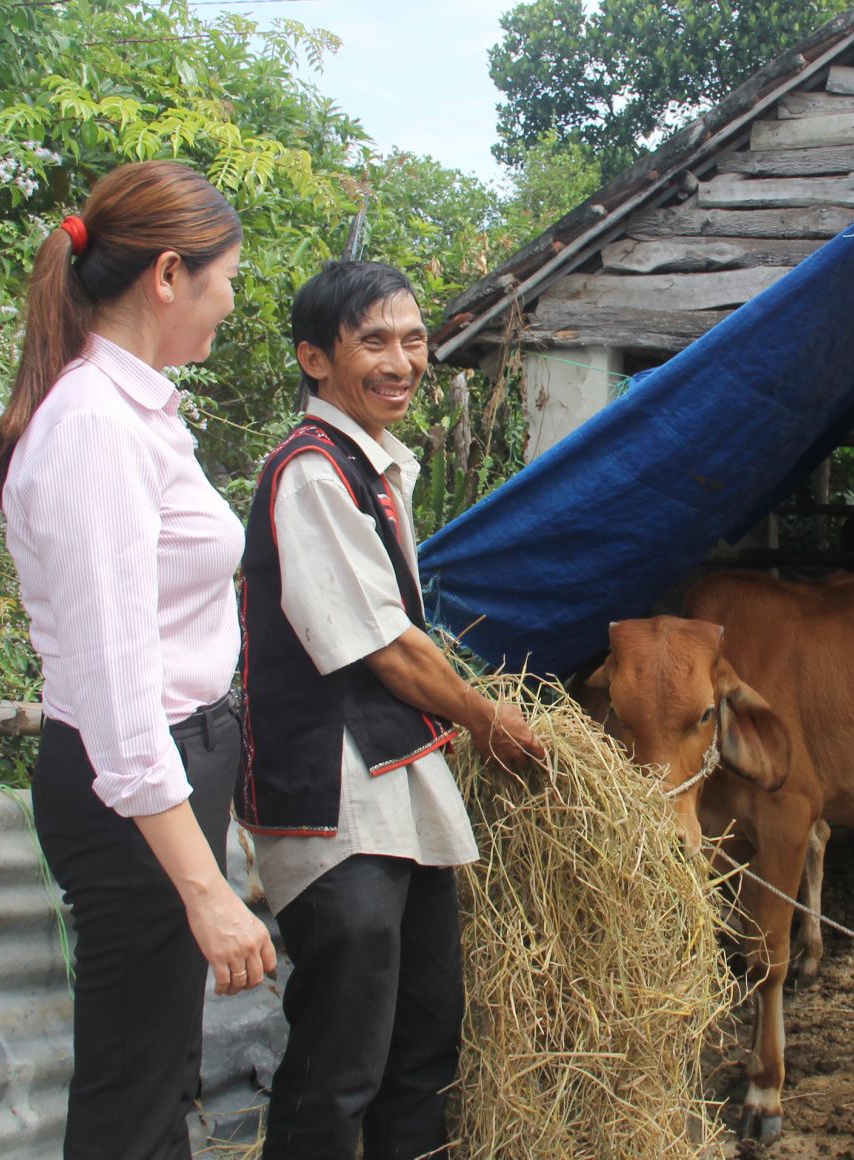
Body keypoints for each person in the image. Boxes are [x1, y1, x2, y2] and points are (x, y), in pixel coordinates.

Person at [0, 160, 275, 1160]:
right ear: (166, 276)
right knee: (132, 1091)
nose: (232, 300)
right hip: (134, 787)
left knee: (152, 1071)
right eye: (226, 276)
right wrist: (204, 887)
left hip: (164, 774)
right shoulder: (95, 428)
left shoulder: (136, 411)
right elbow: (116, 689)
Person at [238, 260, 545, 1160]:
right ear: (315, 358)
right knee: (341, 1068)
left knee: (423, 1050)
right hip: (337, 810)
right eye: (374, 340)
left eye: (414, 340)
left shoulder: (372, 469)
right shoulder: (310, 473)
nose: (404, 360)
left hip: (400, 800)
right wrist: (486, 719)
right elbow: (380, 644)